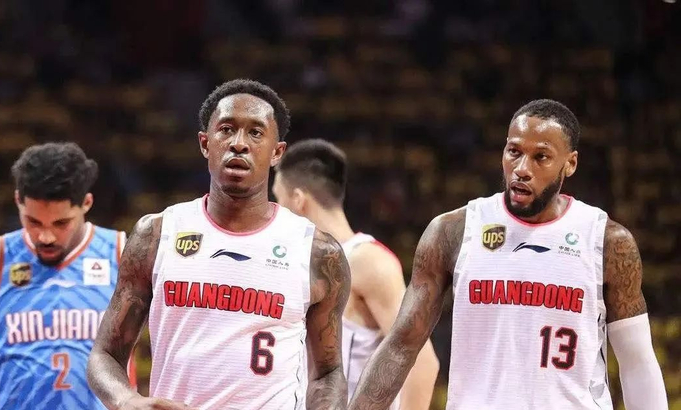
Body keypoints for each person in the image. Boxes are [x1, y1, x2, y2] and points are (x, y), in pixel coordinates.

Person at [348, 99, 668, 410]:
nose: (522, 169)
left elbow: (637, 362)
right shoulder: (453, 231)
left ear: (570, 163)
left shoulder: (607, 241)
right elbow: (401, 345)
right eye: (514, 152)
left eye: (541, 157)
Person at [87, 79, 351, 410]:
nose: (239, 144)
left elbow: (329, 372)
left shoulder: (317, 252)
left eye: (256, 133)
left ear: (277, 152)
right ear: (205, 143)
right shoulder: (156, 234)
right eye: (226, 130)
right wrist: (125, 400)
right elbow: (105, 354)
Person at [272, 139, 439, 410]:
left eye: (279, 200)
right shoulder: (295, 264)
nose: (276, 212)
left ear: (299, 200)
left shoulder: (367, 262)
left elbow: (422, 363)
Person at [0, 142, 133, 409]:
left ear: (86, 203)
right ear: (18, 201)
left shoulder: (123, 254)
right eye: (33, 221)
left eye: (61, 223)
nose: (46, 237)